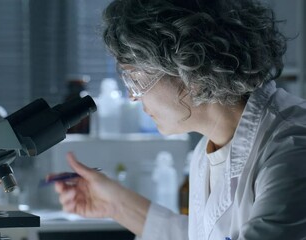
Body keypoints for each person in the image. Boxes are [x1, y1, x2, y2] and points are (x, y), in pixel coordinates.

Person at [54, 0, 306, 239]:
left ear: (192, 69)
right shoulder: (205, 153)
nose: (132, 96)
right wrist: (116, 204)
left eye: (136, 80)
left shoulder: (292, 147)